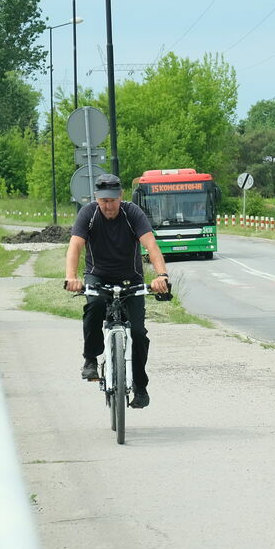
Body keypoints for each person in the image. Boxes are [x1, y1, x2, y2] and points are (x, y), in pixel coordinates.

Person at [64, 174, 170, 409]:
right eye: (103, 201)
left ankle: (141, 388)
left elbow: (151, 246)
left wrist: (161, 276)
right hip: (98, 276)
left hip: (130, 279)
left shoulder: (132, 214)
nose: (108, 205)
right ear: (96, 198)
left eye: (112, 200)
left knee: (139, 333)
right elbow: (75, 246)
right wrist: (71, 277)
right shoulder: (88, 214)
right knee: (94, 305)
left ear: (121, 197)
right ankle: (90, 359)